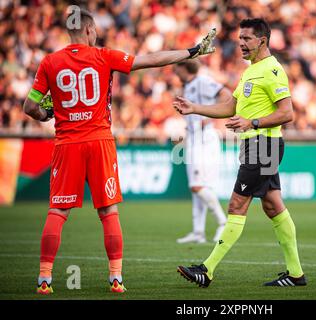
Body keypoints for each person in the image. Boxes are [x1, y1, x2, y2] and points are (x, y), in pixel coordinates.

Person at [23, 7, 216, 294]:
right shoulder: (104, 56)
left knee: (58, 211)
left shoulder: (50, 62)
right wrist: (191, 51)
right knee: (108, 211)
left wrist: (44, 115)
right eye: (96, 30)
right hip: (99, 142)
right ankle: (116, 279)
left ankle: (44, 279)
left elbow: (29, 107)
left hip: (67, 144)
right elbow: (151, 59)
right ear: (89, 30)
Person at [174, 18, 306, 287]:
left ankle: (207, 270)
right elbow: (230, 107)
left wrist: (252, 122)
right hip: (256, 145)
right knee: (272, 206)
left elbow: (287, 113)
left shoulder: (271, 70)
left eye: (246, 38)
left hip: (263, 145)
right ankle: (295, 274)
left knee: (237, 205)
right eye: (240, 38)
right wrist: (194, 107)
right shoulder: (251, 70)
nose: (241, 43)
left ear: (262, 41)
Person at [173, 60, 229, 244]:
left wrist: (209, 116)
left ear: (184, 67)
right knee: (197, 188)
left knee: (197, 185)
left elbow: (225, 94)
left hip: (205, 139)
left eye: (177, 67)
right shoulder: (188, 86)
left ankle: (223, 222)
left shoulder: (202, 81)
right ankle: (198, 232)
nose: (174, 71)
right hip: (194, 139)